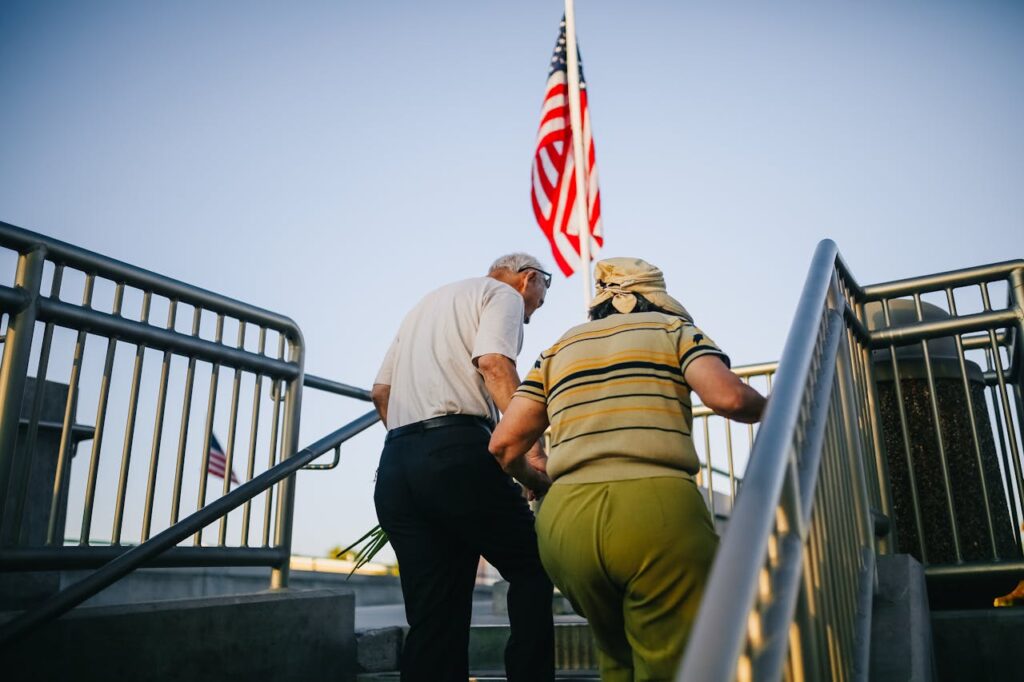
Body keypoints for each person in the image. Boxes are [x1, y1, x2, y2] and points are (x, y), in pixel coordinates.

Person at [489, 257, 767, 682]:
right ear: (654, 299)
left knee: (615, 657)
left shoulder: (559, 348)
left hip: (566, 523)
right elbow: (729, 398)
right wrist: (777, 406)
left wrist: (535, 483)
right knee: (674, 663)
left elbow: (504, 444)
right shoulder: (672, 329)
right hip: (655, 511)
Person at [371, 253, 555, 682]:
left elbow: (381, 392)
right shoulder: (502, 296)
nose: (528, 318)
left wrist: (417, 445)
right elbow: (493, 363)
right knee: (532, 567)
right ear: (530, 279)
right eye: (537, 304)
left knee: (435, 612)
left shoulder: (424, 306)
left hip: (396, 463)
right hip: (457, 451)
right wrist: (531, 451)